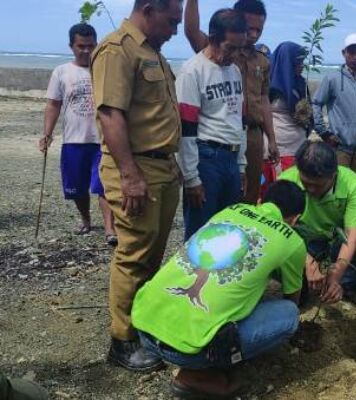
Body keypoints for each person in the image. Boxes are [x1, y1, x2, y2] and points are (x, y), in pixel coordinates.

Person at [132, 180, 306, 399]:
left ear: (262, 201)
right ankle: (195, 376)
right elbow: (293, 297)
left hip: (144, 327)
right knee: (289, 314)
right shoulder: (292, 239)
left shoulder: (232, 210)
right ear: (295, 219)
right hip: (187, 350)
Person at [91, 0, 183, 372]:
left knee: (152, 253)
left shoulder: (152, 53)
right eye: (171, 21)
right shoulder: (117, 50)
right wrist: (129, 175)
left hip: (161, 168)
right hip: (135, 168)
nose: (175, 30)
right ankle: (122, 342)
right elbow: (111, 114)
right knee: (133, 254)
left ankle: (142, 325)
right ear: (148, 9)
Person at [185, 0, 278, 205]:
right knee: (212, 201)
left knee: (249, 194)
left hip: (251, 134)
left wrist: (271, 138)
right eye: (249, 27)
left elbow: (264, 100)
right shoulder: (219, 49)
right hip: (217, 138)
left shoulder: (262, 61)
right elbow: (192, 31)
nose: (253, 34)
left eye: (258, 30)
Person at [279, 140, 356, 311]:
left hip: (334, 241)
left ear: (333, 175)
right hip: (301, 243)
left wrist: (335, 275)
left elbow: (351, 237)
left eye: (317, 185)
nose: (311, 190)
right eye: (306, 184)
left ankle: (348, 284)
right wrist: (306, 261)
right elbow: (280, 231)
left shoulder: (352, 184)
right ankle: (299, 283)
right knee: (276, 245)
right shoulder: (286, 181)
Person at [38, 23, 116, 245]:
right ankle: (85, 218)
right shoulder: (62, 72)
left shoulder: (104, 69)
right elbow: (53, 104)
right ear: (71, 45)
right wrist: (47, 134)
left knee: (104, 185)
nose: (86, 51)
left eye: (91, 46)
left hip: (104, 140)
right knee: (77, 187)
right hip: (74, 139)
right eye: (81, 46)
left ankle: (110, 229)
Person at [177, 9, 248, 241]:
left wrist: (241, 165)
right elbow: (186, 129)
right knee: (199, 234)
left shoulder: (234, 71)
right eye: (230, 47)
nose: (235, 54)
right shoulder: (193, 70)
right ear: (213, 38)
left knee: (225, 232)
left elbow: (239, 120)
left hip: (231, 157)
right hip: (206, 159)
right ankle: (192, 279)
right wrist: (191, 177)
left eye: (240, 48)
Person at [312, 33, 356, 182]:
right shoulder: (332, 78)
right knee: (337, 188)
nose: (355, 56)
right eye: (351, 52)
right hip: (340, 147)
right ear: (343, 53)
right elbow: (316, 103)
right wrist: (324, 133)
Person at [269, 41, 311, 171]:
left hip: (299, 145)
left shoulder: (300, 83)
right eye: (298, 62)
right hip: (279, 147)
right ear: (288, 63)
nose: (302, 66)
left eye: (303, 62)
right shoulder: (270, 87)